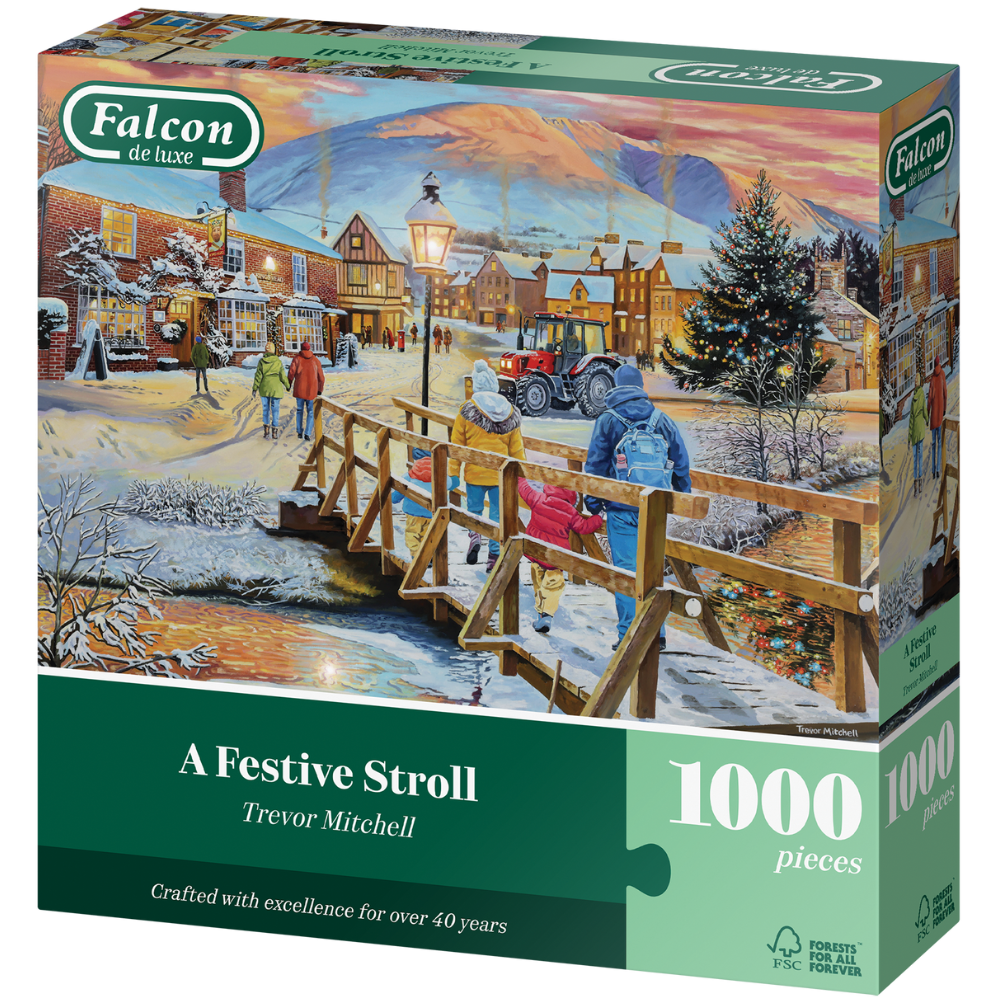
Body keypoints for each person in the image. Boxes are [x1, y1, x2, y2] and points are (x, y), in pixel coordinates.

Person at [583, 365, 691, 651]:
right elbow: (680, 461)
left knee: (627, 572)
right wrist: (682, 497)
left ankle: (629, 635)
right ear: (640, 387)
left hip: (621, 508)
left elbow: (595, 464)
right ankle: (658, 634)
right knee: (653, 570)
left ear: (616, 386)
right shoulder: (661, 419)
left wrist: (593, 502)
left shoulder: (608, 419)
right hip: (655, 508)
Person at [448, 359, 527, 572]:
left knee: (474, 510)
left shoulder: (467, 410)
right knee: (497, 516)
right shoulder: (510, 411)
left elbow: (457, 445)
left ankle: (475, 536)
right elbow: (517, 449)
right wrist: (522, 476)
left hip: (474, 473)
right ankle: (493, 556)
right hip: (500, 475)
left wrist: (453, 472)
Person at [518, 478, 604, 633]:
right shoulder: (570, 512)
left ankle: (540, 613)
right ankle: (547, 615)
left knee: (538, 583)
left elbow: (524, 490)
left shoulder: (538, 499)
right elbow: (583, 527)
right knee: (553, 585)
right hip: (556, 558)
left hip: (535, 551)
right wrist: (598, 518)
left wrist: (519, 477)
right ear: (571, 496)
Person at [391, 448, 460, 563]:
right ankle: (429, 556)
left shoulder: (410, 475)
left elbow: (398, 491)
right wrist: (456, 479)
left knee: (413, 534)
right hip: (433, 513)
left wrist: (394, 499)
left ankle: (416, 557)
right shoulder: (441, 475)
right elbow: (453, 483)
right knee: (429, 535)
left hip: (413, 512)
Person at [251, 342, 290, 441]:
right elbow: (282, 376)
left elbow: (258, 376)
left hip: (264, 388)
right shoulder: (278, 362)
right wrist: (287, 385)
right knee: (275, 410)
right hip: (276, 388)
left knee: (266, 409)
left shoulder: (261, 362)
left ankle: (266, 429)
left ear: (265, 351)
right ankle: (274, 431)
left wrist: (255, 388)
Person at [288, 340, 326, 440]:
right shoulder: (315, 360)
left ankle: (299, 431)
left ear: (301, 349)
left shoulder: (297, 359)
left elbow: (291, 373)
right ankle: (307, 433)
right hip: (312, 390)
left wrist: (289, 384)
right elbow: (321, 377)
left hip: (299, 389)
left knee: (299, 410)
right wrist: (320, 389)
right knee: (310, 412)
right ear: (309, 349)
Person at [927, 355, 947, 480]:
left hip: (934, 415)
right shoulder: (943, 374)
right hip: (940, 414)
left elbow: (929, 398)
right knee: (940, 443)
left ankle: (933, 470)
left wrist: (928, 411)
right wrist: (944, 409)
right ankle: (938, 469)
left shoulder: (932, 379)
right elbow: (945, 393)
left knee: (934, 443)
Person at [909, 371, 928, 497]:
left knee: (915, 457)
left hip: (915, 432)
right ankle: (920, 481)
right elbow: (925, 410)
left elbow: (911, 418)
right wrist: (927, 420)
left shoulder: (913, 398)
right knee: (919, 457)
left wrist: (909, 435)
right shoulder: (921, 395)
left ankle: (916, 482)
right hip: (920, 430)